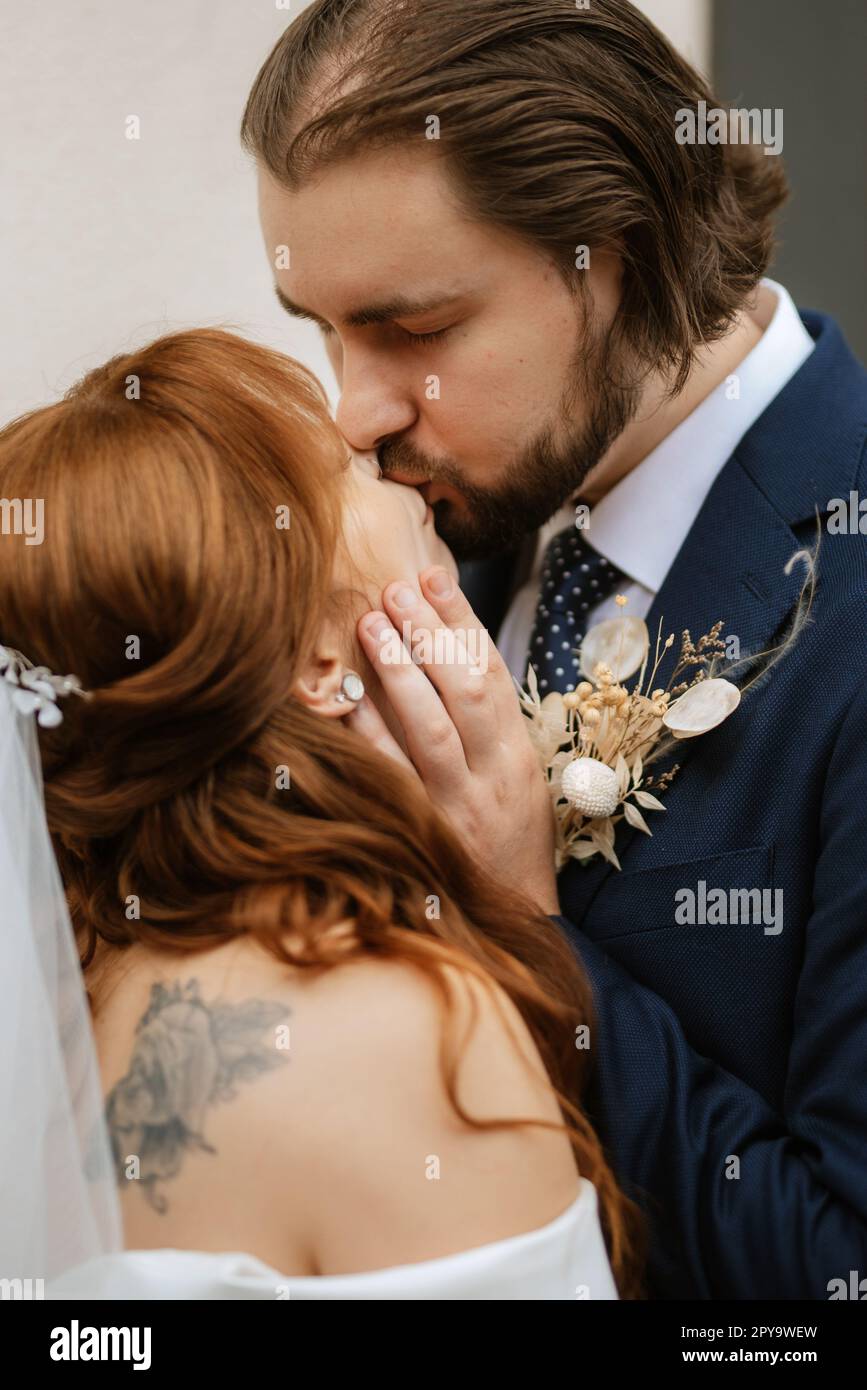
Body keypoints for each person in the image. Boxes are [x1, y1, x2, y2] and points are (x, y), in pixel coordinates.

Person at [241, 0, 867, 1296]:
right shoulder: (441, 531)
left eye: (411, 330)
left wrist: (524, 928)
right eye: (319, 328)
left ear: (614, 258)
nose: (352, 415)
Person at [0, 327, 642, 1300]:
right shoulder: (414, 1030)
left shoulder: (47, 1009)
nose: (381, 451)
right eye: (348, 469)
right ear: (316, 663)